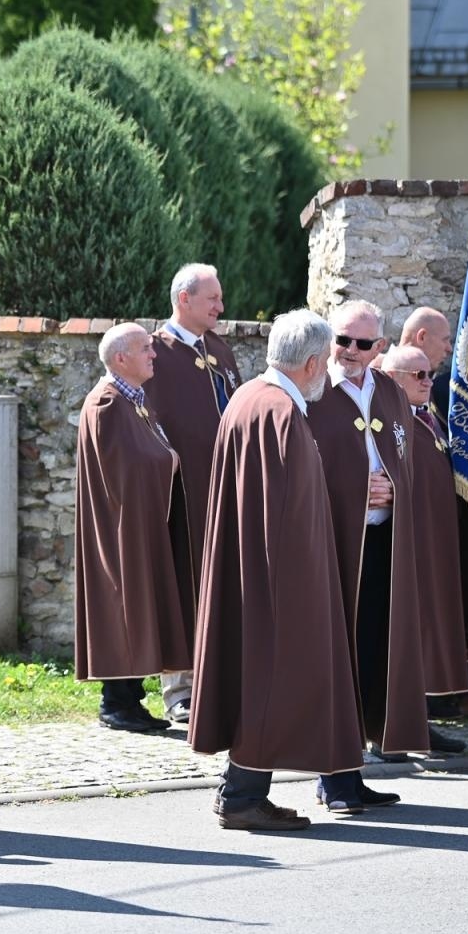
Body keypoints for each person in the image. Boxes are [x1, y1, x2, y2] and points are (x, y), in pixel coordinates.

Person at [189, 310, 366, 831]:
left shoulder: (248, 398)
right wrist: (301, 587)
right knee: (269, 678)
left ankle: (240, 790)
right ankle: (242, 797)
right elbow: (288, 509)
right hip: (277, 577)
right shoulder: (282, 412)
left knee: (256, 678)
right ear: (312, 362)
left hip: (251, 567)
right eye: (327, 362)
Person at [308, 300, 429, 795]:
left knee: (375, 656)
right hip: (333, 546)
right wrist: (359, 490)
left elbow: (408, 463)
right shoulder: (312, 394)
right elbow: (303, 470)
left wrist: (395, 489)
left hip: (383, 543)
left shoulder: (389, 392)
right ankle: (332, 776)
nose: (350, 351)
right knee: (336, 661)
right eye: (342, 340)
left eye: (363, 343)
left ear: (380, 346)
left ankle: (353, 769)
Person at [74, 323, 191, 733]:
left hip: (141, 523)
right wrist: (170, 461)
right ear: (121, 358)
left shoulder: (134, 400)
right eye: (145, 349)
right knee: (123, 606)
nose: (153, 355)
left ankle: (130, 700)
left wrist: (168, 458)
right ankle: (117, 703)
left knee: (140, 607)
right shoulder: (106, 403)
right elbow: (127, 467)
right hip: (120, 527)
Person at [380, 346, 468, 735]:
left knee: (433, 634)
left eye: (429, 374)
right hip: (407, 550)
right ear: (393, 377)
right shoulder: (387, 423)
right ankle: (399, 725)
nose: (429, 381)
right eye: (418, 375)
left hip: (440, 546)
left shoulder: (429, 419)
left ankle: (423, 720)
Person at [148, 263, 243, 724]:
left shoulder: (220, 350)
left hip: (230, 489)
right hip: (184, 495)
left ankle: (223, 680)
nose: (221, 308)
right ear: (184, 299)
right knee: (184, 584)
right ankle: (180, 690)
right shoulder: (154, 354)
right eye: (213, 300)